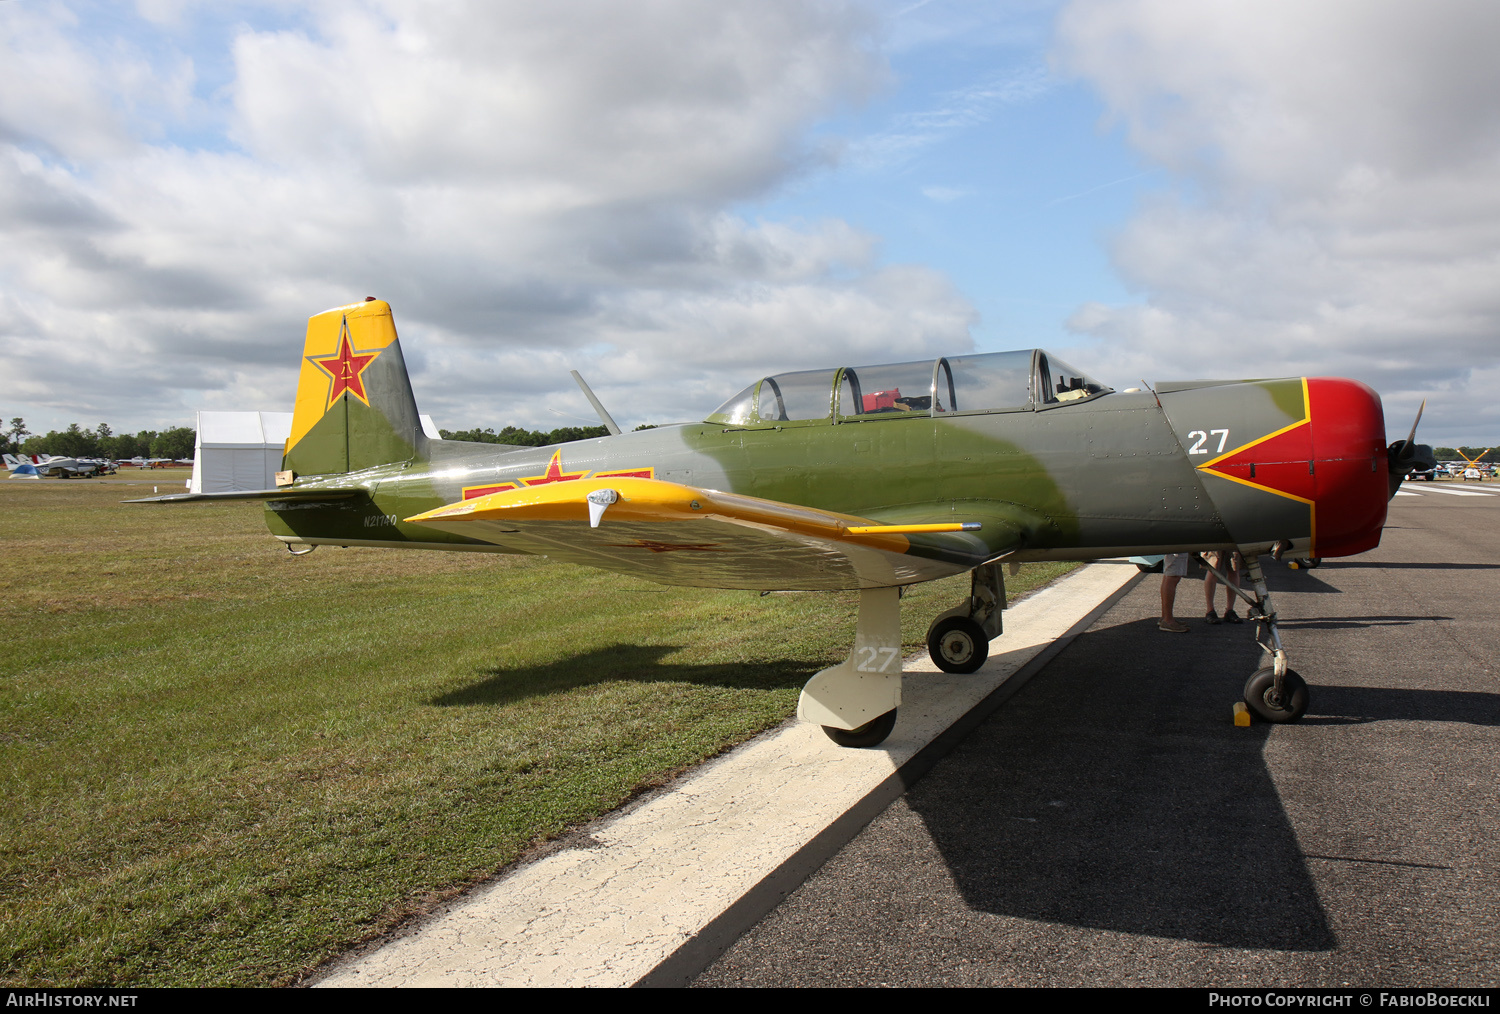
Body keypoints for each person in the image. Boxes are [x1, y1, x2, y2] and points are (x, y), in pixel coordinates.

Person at [1203, 550, 1244, 624]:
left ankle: (1230, 610)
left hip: (1233, 540)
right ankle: (1210, 610)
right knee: (1213, 568)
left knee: (1234, 568)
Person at [1159, 553, 1190, 632]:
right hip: (1176, 549)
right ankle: (1168, 620)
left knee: (1169, 575)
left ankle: (1165, 617)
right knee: (1173, 576)